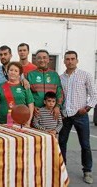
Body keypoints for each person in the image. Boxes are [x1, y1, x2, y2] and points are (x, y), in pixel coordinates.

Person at [59, 50, 97, 184]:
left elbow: (94, 95)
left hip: (80, 115)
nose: (70, 61)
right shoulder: (61, 78)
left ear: (77, 60)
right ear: (64, 61)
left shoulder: (85, 75)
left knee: (85, 144)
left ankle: (87, 171)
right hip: (65, 115)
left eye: (72, 59)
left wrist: (86, 109)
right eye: (67, 59)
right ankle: (62, 169)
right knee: (61, 143)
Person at [0, 61, 34, 126]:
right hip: (2, 123)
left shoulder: (24, 86)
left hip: (20, 123)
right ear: (7, 72)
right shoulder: (1, 86)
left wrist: (28, 121)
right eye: (11, 70)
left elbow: (30, 104)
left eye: (16, 71)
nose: (13, 72)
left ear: (20, 74)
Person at [26, 49, 63, 120]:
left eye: (44, 57)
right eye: (39, 58)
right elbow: (27, 94)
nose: (42, 60)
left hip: (51, 112)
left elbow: (59, 92)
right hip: (36, 112)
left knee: (51, 131)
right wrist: (33, 106)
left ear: (48, 60)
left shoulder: (54, 75)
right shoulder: (30, 75)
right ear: (36, 60)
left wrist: (58, 106)